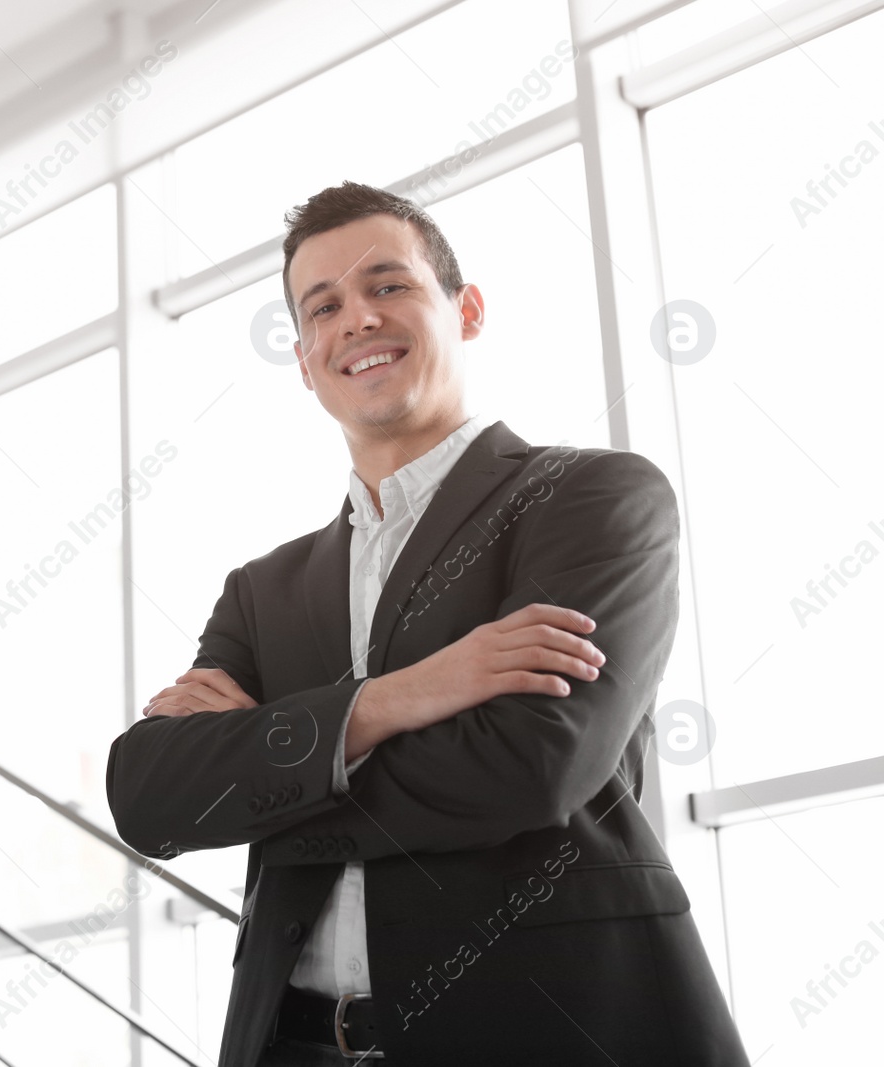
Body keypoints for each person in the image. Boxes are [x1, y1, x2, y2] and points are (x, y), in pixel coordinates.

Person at [105, 182, 750, 1066]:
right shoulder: (262, 589)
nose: (357, 319)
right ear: (304, 359)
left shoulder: (591, 498)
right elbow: (151, 799)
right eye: (323, 306)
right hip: (290, 1044)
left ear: (467, 309)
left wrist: (268, 777)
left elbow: (532, 765)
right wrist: (407, 695)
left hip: (547, 1030)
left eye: (388, 285)